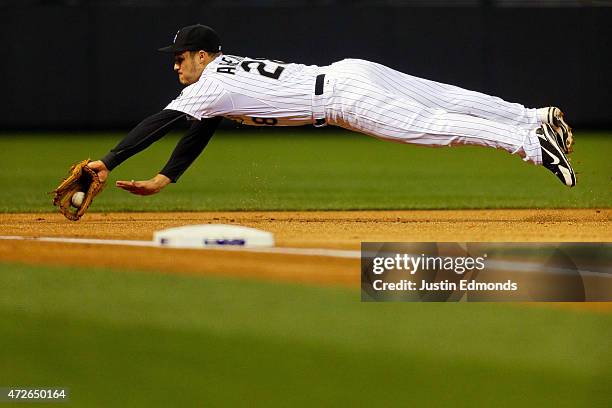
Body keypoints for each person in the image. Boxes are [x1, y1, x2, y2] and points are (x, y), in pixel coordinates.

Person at [87, 24, 576, 195]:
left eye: (180, 57)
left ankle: (532, 144)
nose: (175, 65)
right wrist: (165, 178)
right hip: (350, 71)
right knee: (442, 95)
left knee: (430, 125)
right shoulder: (221, 81)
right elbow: (200, 126)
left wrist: (106, 162)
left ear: (202, 56)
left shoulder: (209, 81)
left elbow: (161, 123)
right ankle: (531, 116)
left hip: (342, 99)